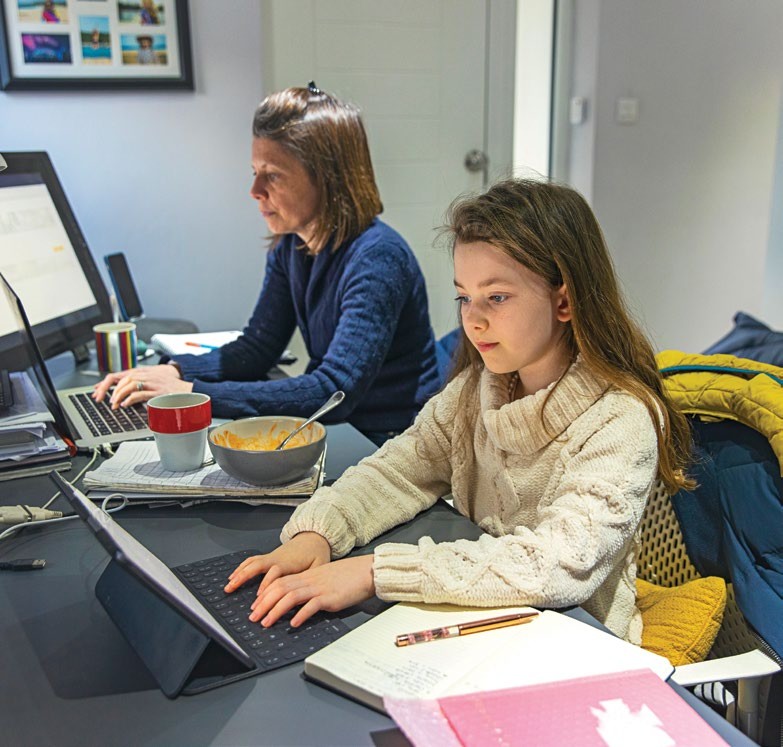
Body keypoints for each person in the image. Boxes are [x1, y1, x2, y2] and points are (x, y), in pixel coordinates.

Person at [223, 178, 694, 644]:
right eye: (464, 296)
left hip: (578, 648)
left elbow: (558, 565)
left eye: (497, 297)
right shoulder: (476, 390)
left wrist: (376, 571)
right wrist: (318, 533)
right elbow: (397, 470)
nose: (473, 318)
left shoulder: (621, 421)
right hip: (487, 630)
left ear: (564, 300)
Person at [93, 83, 439, 446]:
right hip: (345, 429)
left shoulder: (378, 258)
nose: (255, 190)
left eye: (272, 175)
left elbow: (334, 392)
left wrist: (192, 392)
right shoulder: (292, 245)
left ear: (328, 178)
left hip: (391, 438)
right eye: (254, 171)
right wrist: (174, 371)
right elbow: (258, 347)